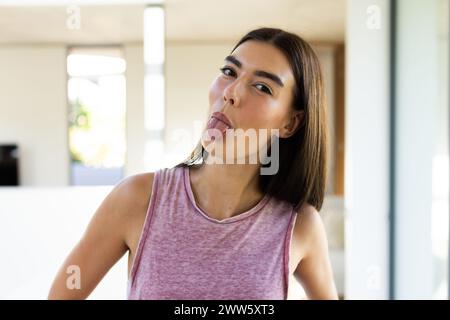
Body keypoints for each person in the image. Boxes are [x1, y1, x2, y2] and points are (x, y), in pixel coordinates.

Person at [48, 27, 338, 300]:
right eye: (229, 72)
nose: (231, 92)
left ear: (291, 122)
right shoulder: (138, 199)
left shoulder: (299, 225)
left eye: (261, 87)